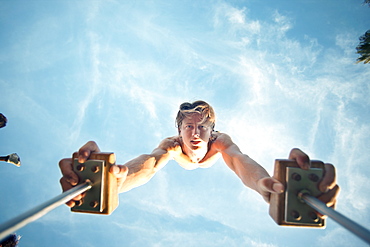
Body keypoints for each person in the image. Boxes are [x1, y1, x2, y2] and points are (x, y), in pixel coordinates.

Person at [59, 100, 339, 209]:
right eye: (189, 127)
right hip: (179, 161)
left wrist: (268, 186)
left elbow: (241, 163)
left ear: (212, 131)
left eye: (202, 127)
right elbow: (151, 165)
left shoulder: (220, 142)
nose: (195, 133)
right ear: (179, 132)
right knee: (160, 155)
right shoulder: (172, 144)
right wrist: (116, 180)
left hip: (209, 161)